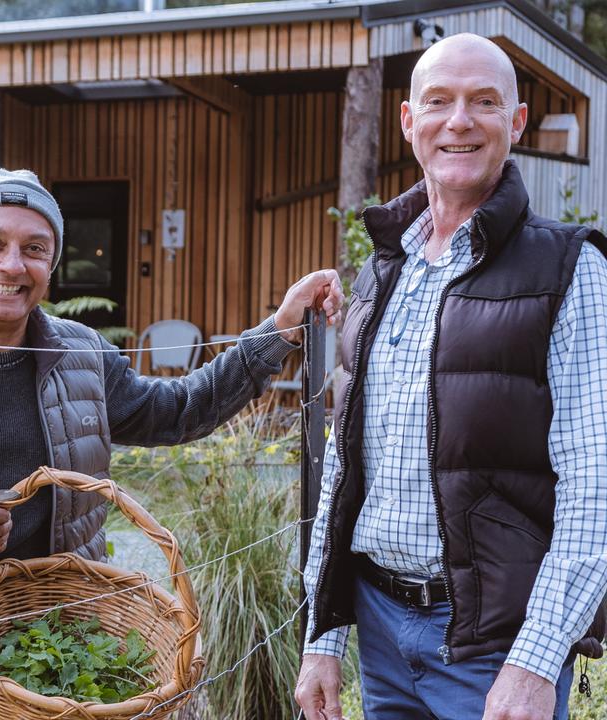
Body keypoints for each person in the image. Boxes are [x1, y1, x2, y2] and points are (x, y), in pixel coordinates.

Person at [0, 167, 341, 719]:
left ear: (51, 266)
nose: (12, 265)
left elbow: (176, 412)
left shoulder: (82, 355)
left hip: (48, 660)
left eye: (35, 248)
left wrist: (279, 331)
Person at [295, 33, 607, 720]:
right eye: (438, 101)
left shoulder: (570, 271)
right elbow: (346, 471)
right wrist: (323, 635)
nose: (458, 121)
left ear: (517, 122)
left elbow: (596, 486)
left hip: (493, 651)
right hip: (380, 633)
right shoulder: (384, 271)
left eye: (483, 102)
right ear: (409, 122)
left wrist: (535, 660)